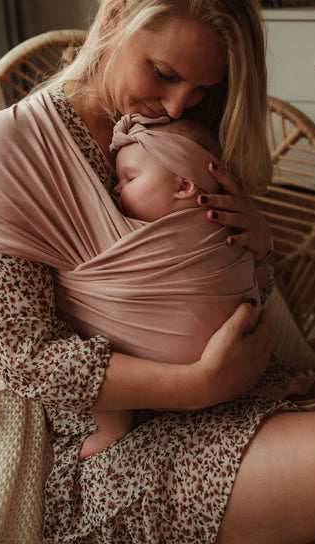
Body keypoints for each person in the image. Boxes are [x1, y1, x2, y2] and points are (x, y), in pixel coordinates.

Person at [0, 0, 315, 543]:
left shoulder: (185, 133)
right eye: (164, 72)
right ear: (115, 16)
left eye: (201, 88)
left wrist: (258, 245)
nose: (176, 106)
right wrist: (197, 386)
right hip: (118, 446)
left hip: (249, 394)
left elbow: (226, 291)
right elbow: (27, 358)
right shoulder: (9, 151)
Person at [76, 113, 261, 458]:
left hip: (234, 373)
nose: (114, 189)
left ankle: (112, 430)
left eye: (129, 177)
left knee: (94, 337)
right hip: (172, 379)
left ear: (183, 186)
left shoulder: (228, 228)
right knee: (96, 349)